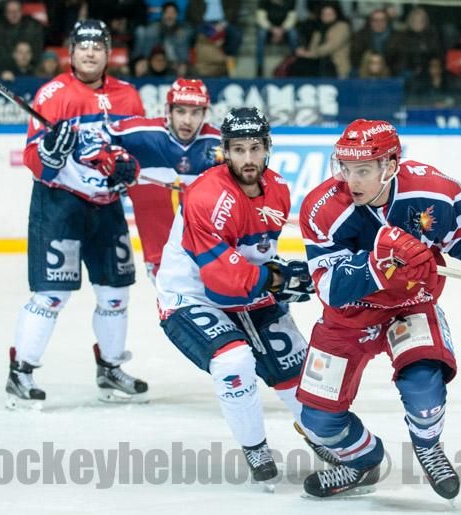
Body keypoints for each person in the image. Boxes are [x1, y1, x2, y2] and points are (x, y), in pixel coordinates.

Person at [297, 119, 461, 498]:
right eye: (345, 168)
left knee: (425, 388)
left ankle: (428, 446)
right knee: (318, 419)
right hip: (349, 315)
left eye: (363, 170)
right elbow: (329, 287)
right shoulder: (321, 209)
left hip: (410, 302)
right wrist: (378, 262)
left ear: (390, 165)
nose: (351, 181)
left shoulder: (435, 191)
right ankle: (362, 461)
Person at [156, 107, 325, 483]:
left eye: (255, 148)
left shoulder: (278, 189)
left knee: (296, 371)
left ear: (267, 148)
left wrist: (285, 277)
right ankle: (254, 445)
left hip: (245, 290)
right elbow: (221, 281)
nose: (248, 158)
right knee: (234, 361)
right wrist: (280, 279)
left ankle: (321, 434)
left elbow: (257, 258)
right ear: (225, 151)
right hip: (191, 296)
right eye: (238, 149)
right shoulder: (205, 197)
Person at [6, 20, 147, 409]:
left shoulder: (128, 96)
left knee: (115, 293)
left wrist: (127, 168)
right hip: (60, 205)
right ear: (70, 53)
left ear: (108, 53)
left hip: (107, 206)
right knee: (52, 294)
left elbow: (138, 151)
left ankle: (110, 367)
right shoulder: (53, 95)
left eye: (97, 46)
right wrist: (51, 154)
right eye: (82, 46)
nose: (89, 52)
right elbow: (34, 159)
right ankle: (21, 373)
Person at [78, 78, 223, 278]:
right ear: (168, 110)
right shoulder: (142, 134)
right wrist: (112, 157)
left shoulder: (220, 143)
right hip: (161, 262)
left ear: (205, 113)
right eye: (181, 111)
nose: (187, 120)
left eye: (195, 112)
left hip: (212, 256)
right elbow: (92, 137)